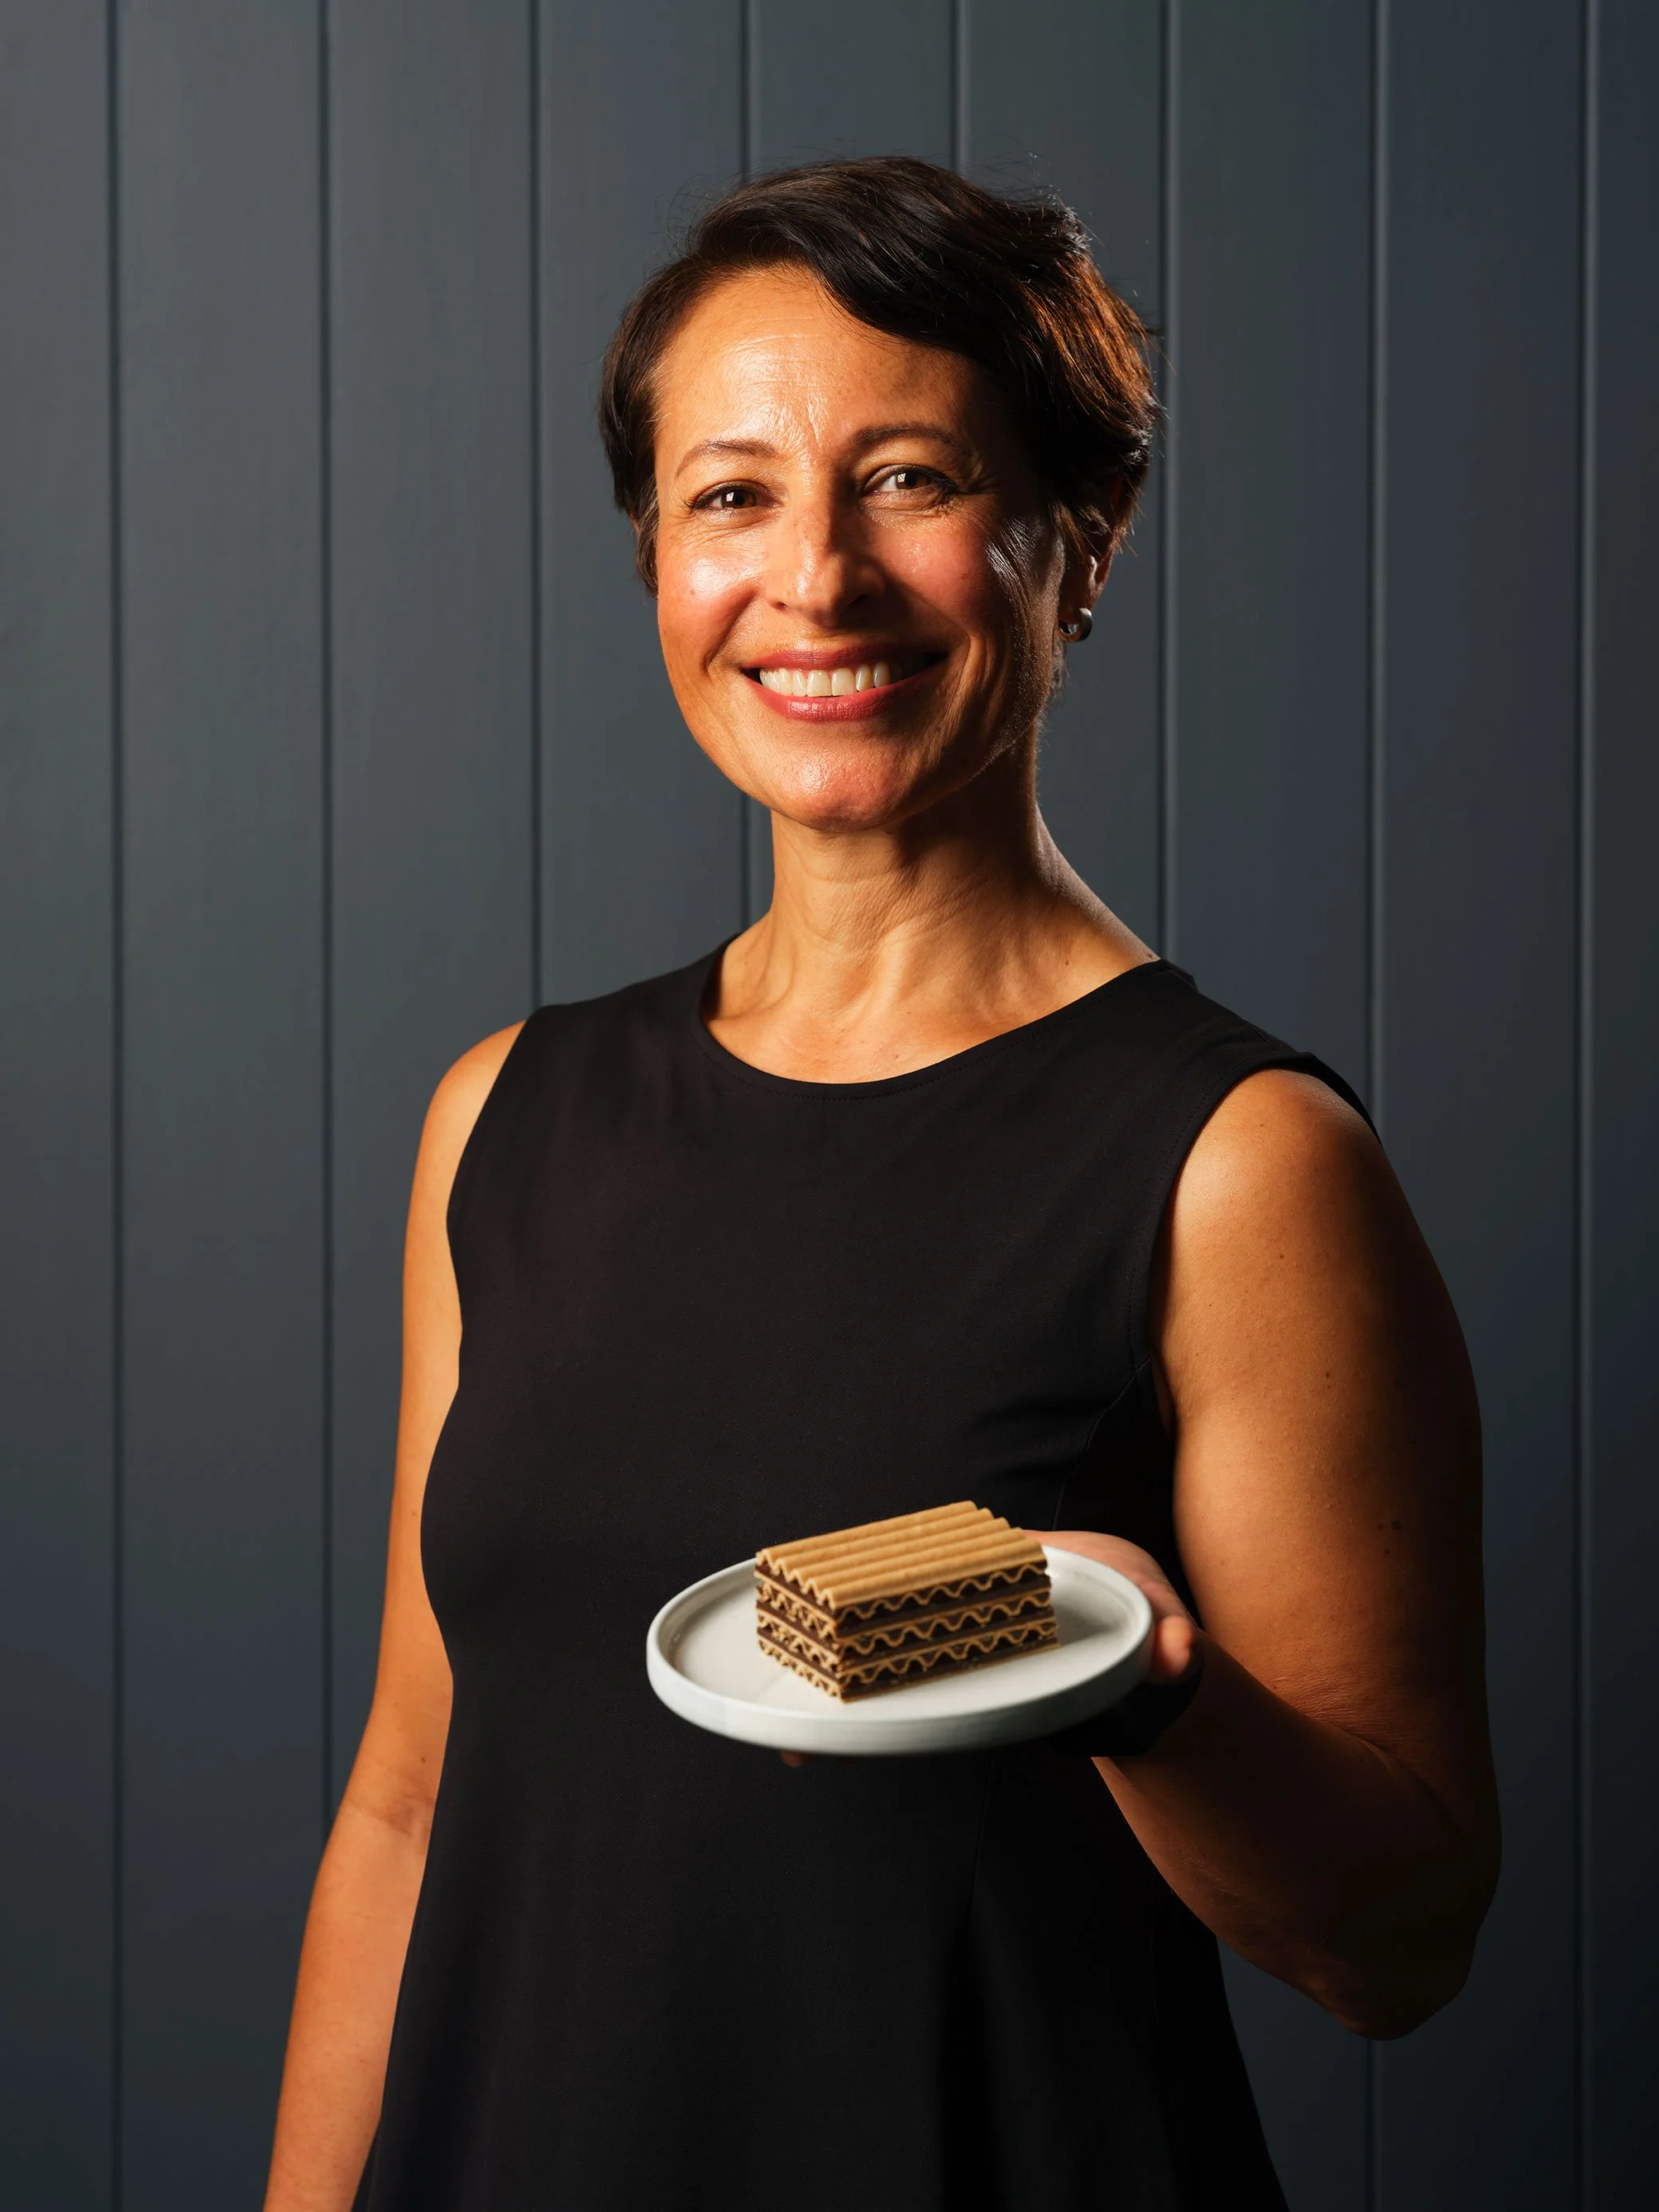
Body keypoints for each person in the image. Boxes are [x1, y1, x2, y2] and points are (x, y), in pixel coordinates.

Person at [263, 156, 1498, 2211]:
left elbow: (1401, 1944)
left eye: (912, 479)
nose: (812, 581)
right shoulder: (506, 1114)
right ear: (656, 554)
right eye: (730, 496)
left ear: (1074, 547)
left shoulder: (1238, 1161)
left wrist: (1145, 1691)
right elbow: (410, 1805)